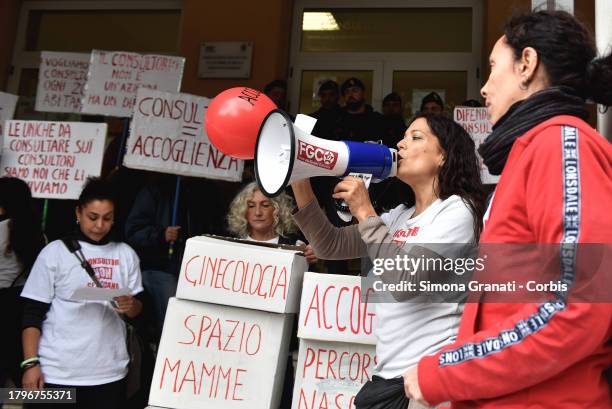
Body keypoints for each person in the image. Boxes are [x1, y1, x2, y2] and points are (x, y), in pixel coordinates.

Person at [403, 11, 612, 408]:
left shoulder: (561, 144)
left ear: (527, 65)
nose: (483, 87)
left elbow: (577, 306)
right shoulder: (534, 151)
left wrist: (447, 371)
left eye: (494, 66)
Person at [291, 113, 486, 409]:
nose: (401, 144)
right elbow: (328, 244)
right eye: (403, 137)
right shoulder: (398, 216)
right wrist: (299, 175)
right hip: (387, 379)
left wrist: (365, 212)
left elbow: (404, 281)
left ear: (444, 156)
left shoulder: (457, 210)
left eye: (415, 137)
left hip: (430, 378)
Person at [21, 178, 144, 409]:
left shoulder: (126, 254)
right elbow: (32, 314)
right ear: (78, 212)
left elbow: (139, 311)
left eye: (107, 218)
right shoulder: (54, 253)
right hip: (55, 374)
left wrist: (132, 306)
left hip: (109, 374)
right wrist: (30, 364)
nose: (99, 225)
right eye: (92, 217)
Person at [0, 178, 45, 389]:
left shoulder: (2, 230)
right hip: (24, 304)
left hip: (3, 300)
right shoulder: (37, 233)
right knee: (23, 374)